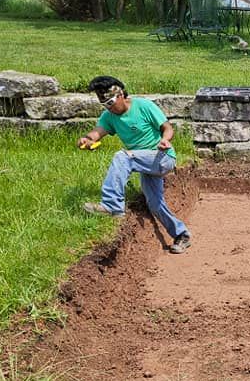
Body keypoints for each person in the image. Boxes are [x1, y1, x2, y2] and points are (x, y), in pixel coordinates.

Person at [77, 76, 191, 254]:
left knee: (122, 157)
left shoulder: (143, 106)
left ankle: (112, 205)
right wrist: (87, 140)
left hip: (162, 157)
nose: (109, 107)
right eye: (105, 104)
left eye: (111, 102)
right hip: (143, 162)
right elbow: (97, 133)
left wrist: (164, 140)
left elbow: (167, 128)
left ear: (121, 94)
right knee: (154, 204)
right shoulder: (109, 116)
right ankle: (182, 235)